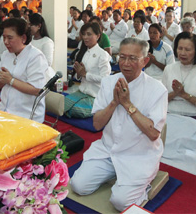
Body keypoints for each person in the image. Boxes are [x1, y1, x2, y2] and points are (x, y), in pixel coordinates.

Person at [70, 38, 168, 212]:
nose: (126, 63)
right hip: (108, 150)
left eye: (133, 58)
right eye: (122, 57)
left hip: (138, 155)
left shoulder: (157, 89)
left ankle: (143, 184)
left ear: (145, 61)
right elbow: (97, 124)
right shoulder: (108, 82)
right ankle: (117, 175)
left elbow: (153, 134)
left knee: (121, 202)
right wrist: (114, 103)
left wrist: (127, 104)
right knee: (78, 186)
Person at [0, 18, 48, 123]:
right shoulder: (6, 55)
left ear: (23, 38)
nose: (5, 42)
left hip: (26, 116)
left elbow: (37, 90)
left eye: (10, 38)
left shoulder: (35, 57)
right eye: (4, 38)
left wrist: (10, 80)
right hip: (4, 110)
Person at [162, 32, 196, 130]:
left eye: (187, 50)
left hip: (195, 119)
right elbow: (161, 100)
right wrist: (175, 93)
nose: (182, 53)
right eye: (180, 48)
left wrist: (184, 94)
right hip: (170, 116)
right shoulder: (169, 69)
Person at [65, 23, 111, 118]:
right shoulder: (83, 52)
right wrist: (78, 73)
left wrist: (85, 74)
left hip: (95, 95)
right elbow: (78, 76)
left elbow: (105, 79)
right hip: (81, 91)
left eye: (89, 34)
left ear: (98, 36)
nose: (85, 37)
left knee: (76, 111)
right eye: (84, 34)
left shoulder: (103, 54)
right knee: (61, 104)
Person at [29, 13, 56, 80]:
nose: (28, 27)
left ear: (39, 26)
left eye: (31, 25)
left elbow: (48, 62)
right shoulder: (30, 39)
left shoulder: (47, 42)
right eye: (28, 25)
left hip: (42, 75)